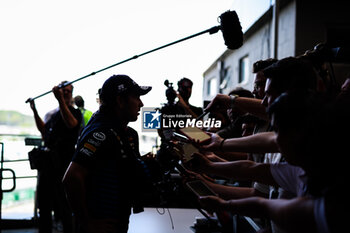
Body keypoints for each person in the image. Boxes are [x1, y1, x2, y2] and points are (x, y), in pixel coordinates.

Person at [195, 90, 349, 233]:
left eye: (278, 131)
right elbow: (253, 170)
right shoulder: (301, 171)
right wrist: (209, 166)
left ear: (301, 134)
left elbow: (265, 206)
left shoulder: (332, 205)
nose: (275, 140)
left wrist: (221, 202)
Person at [62, 74, 152, 233]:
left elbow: (116, 165)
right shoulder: (101, 133)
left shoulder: (126, 133)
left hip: (120, 220)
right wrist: (87, 223)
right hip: (101, 224)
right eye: (136, 97)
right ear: (120, 101)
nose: (141, 103)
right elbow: (71, 178)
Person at [29, 81, 82, 233]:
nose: (64, 94)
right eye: (62, 91)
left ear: (71, 94)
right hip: (48, 167)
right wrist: (34, 111)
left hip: (63, 167)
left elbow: (71, 124)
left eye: (67, 92)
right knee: (44, 205)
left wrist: (60, 101)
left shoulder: (74, 112)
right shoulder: (54, 115)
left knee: (64, 206)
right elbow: (44, 131)